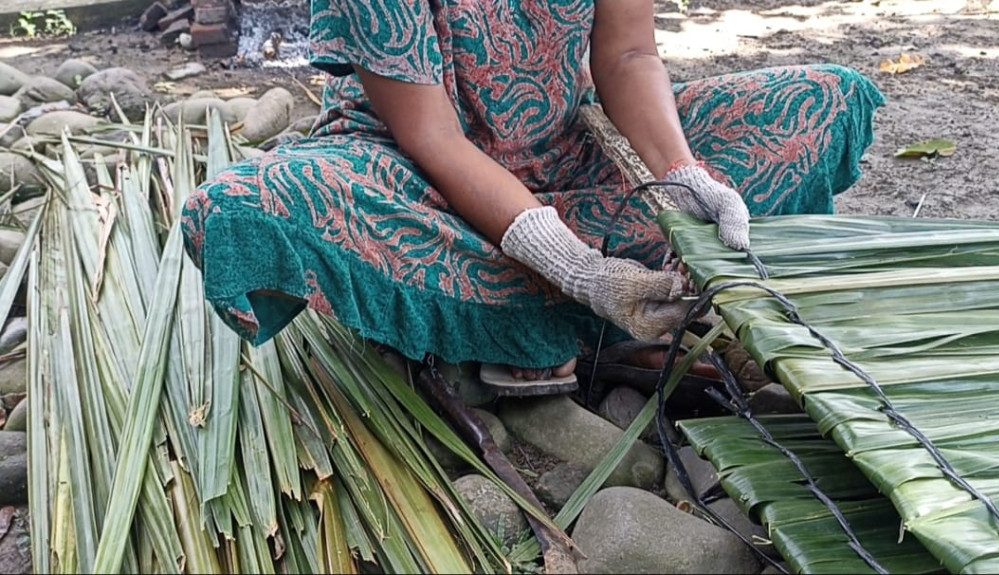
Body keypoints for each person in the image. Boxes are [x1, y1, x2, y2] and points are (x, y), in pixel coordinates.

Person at [180, 0, 885, 396]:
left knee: (822, 102)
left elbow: (629, 56)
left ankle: (546, 326)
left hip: (564, 156)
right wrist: (576, 266)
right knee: (245, 208)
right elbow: (434, 137)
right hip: (408, 175)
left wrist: (682, 171)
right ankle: (592, 319)